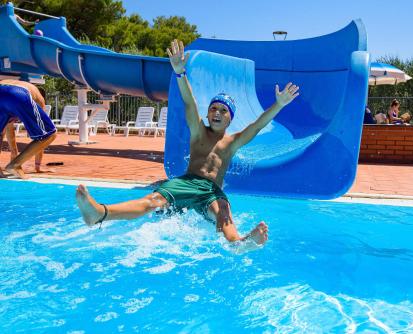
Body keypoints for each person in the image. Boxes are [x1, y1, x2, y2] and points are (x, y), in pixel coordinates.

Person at [76, 39, 300, 249]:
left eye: (223, 110)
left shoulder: (232, 141)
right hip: (186, 182)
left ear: (231, 118)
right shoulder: (198, 131)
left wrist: (278, 104)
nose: (217, 113)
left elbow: (257, 125)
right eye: (213, 108)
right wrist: (180, 73)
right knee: (152, 200)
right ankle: (99, 213)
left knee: (222, 213)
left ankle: (239, 244)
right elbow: (190, 103)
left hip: (211, 191)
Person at [0, 79, 57, 178]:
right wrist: (37, 167)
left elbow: (9, 132)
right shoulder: (39, 98)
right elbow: (42, 135)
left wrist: (14, 154)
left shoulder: (18, 86)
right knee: (50, 134)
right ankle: (15, 165)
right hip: (17, 93)